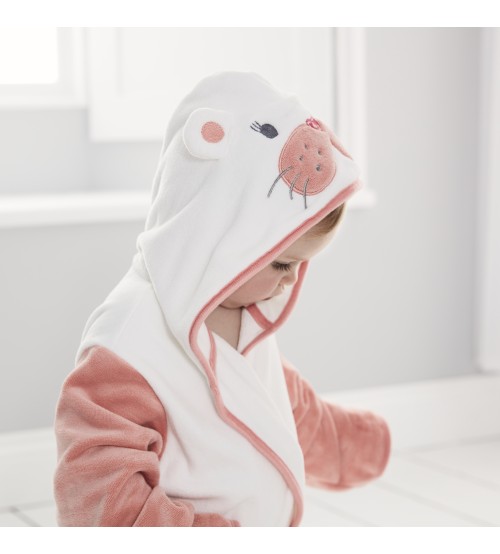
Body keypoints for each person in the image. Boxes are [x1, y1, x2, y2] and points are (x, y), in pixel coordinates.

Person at [53, 71, 391, 527]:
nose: (291, 281)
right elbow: (102, 498)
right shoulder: (128, 346)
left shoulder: (239, 311)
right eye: (281, 264)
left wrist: (367, 444)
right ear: (218, 238)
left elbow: (284, 412)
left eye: (299, 265)